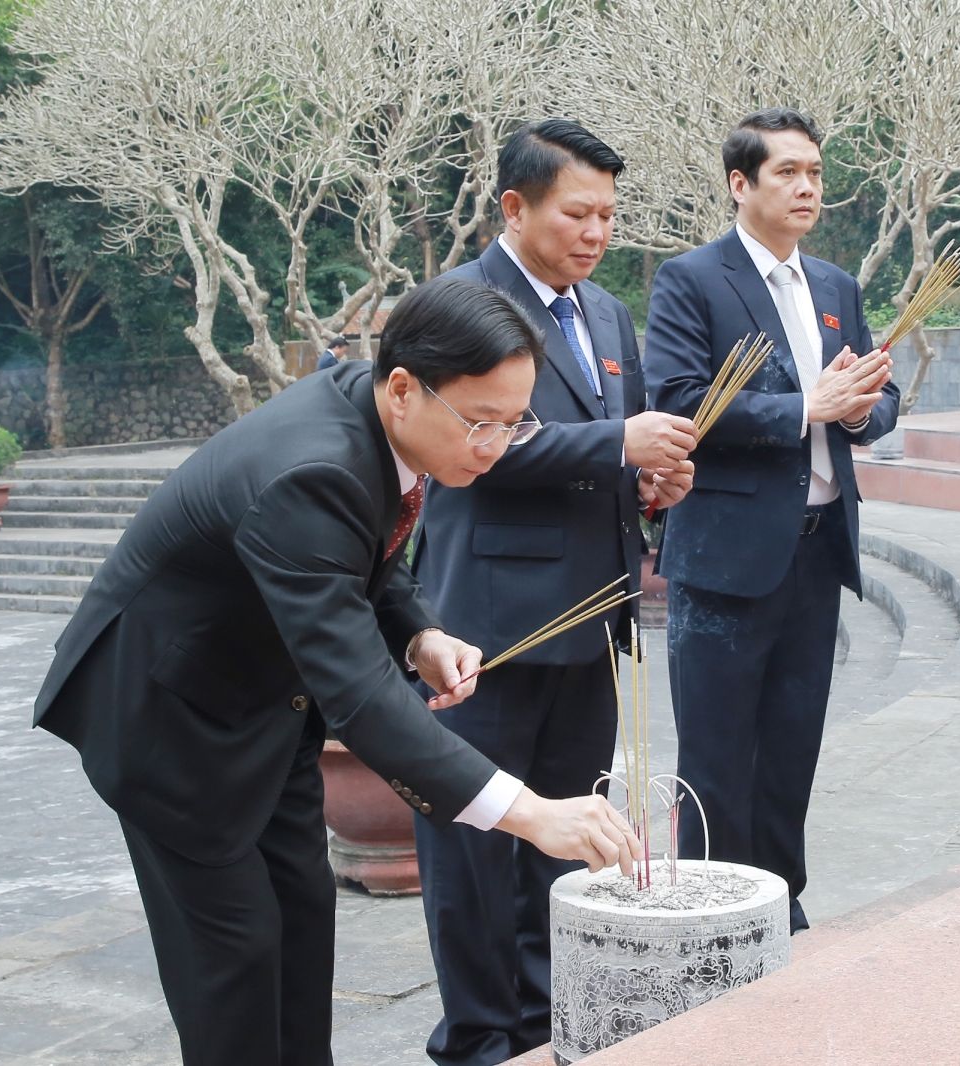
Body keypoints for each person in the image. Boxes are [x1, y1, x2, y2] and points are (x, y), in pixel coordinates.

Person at [30, 277, 642, 1066]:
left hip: (265, 706)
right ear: (404, 389)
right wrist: (528, 813)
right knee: (237, 957)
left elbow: (366, 555)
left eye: (515, 423)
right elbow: (361, 698)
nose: (495, 446)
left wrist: (420, 636)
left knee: (301, 919)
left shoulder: (376, 413)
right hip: (169, 721)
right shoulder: (311, 471)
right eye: (481, 423)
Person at [409, 119, 697, 1066]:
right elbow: (473, 446)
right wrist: (620, 443)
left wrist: (649, 483)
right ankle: (478, 1037)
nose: (596, 232)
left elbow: (609, 451)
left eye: (608, 215)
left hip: (596, 620)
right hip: (488, 629)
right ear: (514, 207)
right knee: (474, 843)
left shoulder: (606, 313)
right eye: (578, 213)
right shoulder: (460, 305)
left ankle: (543, 1022)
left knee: (565, 833)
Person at [643, 107, 900, 933]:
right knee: (716, 755)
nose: (807, 188)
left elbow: (880, 396)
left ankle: (780, 907)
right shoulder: (692, 279)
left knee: (792, 747)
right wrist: (802, 408)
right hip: (726, 558)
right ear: (740, 183)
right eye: (787, 172)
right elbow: (677, 399)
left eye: (815, 173)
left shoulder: (835, 287)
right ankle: (715, 916)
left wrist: (858, 411)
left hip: (819, 552)